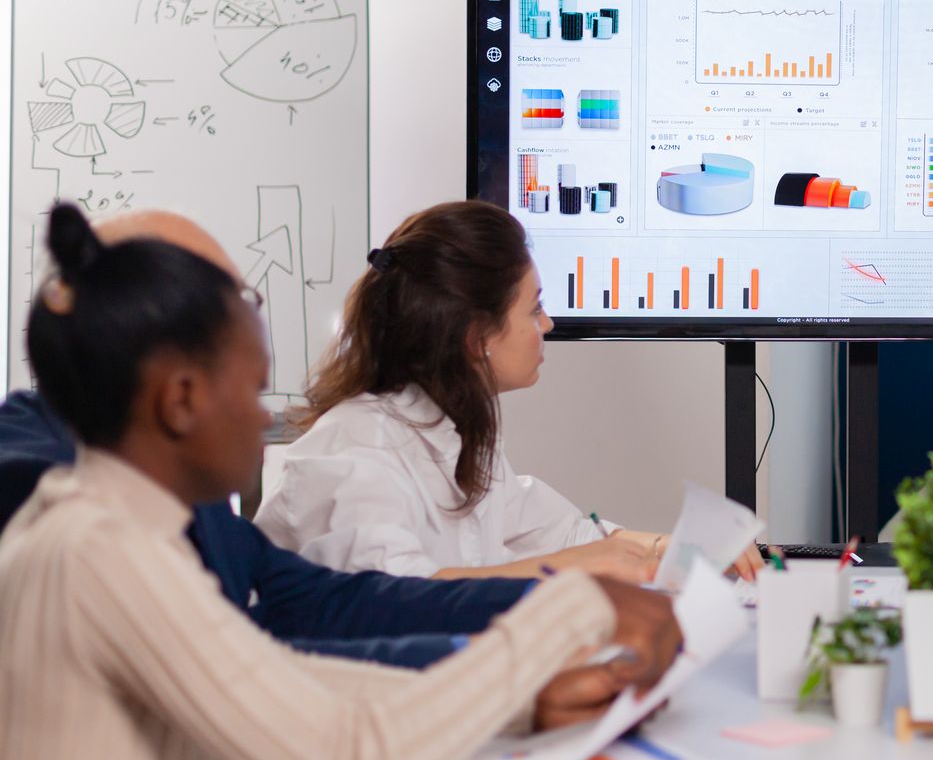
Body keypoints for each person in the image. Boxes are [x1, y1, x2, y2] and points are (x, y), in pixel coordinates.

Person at [0, 204, 683, 760]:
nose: (270, 416)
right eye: (252, 385)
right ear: (179, 400)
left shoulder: (119, 527)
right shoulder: (106, 557)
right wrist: (567, 614)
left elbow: (290, 669)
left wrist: (531, 696)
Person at [0, 209, 535, 668]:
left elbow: (328, 604)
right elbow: (251, 667)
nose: (266, 421)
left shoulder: (167, 481)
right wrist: (525, 656)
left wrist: (550, 605)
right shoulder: (50, 498)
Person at [256, 201, 762, 582]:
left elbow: (565, 535)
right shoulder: (358, 451)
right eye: (533, 308)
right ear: (478, 339)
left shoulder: (450, 433)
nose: (548, 322)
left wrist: (677, 549)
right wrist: (578, 566)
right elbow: (399, 598)